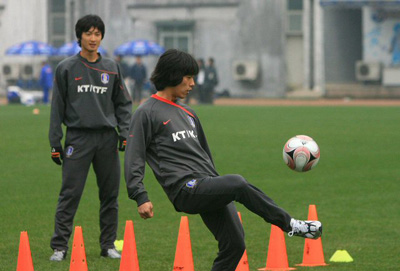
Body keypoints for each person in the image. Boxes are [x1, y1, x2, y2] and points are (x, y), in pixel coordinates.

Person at [124, 49, 322, 271]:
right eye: (188, 77)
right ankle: (290, 224)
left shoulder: (188, 113)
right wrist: (140, 195)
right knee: (238, 182)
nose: (192, 83)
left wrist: (216, 184)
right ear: (172, 75)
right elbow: (134, 155)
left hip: (206, 184)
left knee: (235, 245)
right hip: (185, 188)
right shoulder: (146, 112)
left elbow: (204, 154)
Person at [48, 14, 132, 262]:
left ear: (101, 37)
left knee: (110, 195)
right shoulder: (65, 68)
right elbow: (57, 109)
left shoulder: (112, 68)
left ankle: (108, 245)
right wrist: (55, 142)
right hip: (78, 139)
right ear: (79, 36)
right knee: (70, 194)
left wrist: (125, 133)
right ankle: (60, 247)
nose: (93, 38)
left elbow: (123, 104)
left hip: (106, 139)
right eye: (88, 33)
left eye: (97, 34)